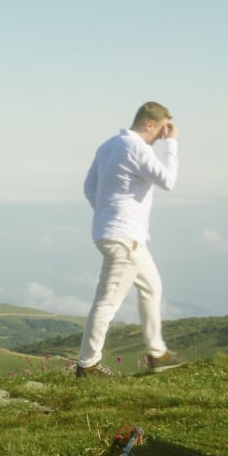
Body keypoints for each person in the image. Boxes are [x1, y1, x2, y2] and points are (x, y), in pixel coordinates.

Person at [76, 101, 184, 377]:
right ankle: (87, 366)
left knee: (151, 287)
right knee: (107, 303)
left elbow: (89, 187)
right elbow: (167, 180)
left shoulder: (108, 146)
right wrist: (172, 144)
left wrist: (107, 213)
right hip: (125, 238)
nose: (162, 135)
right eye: (162, 129)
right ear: (150, 124)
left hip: (116, 234)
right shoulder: (137, 148)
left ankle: (158, 354)